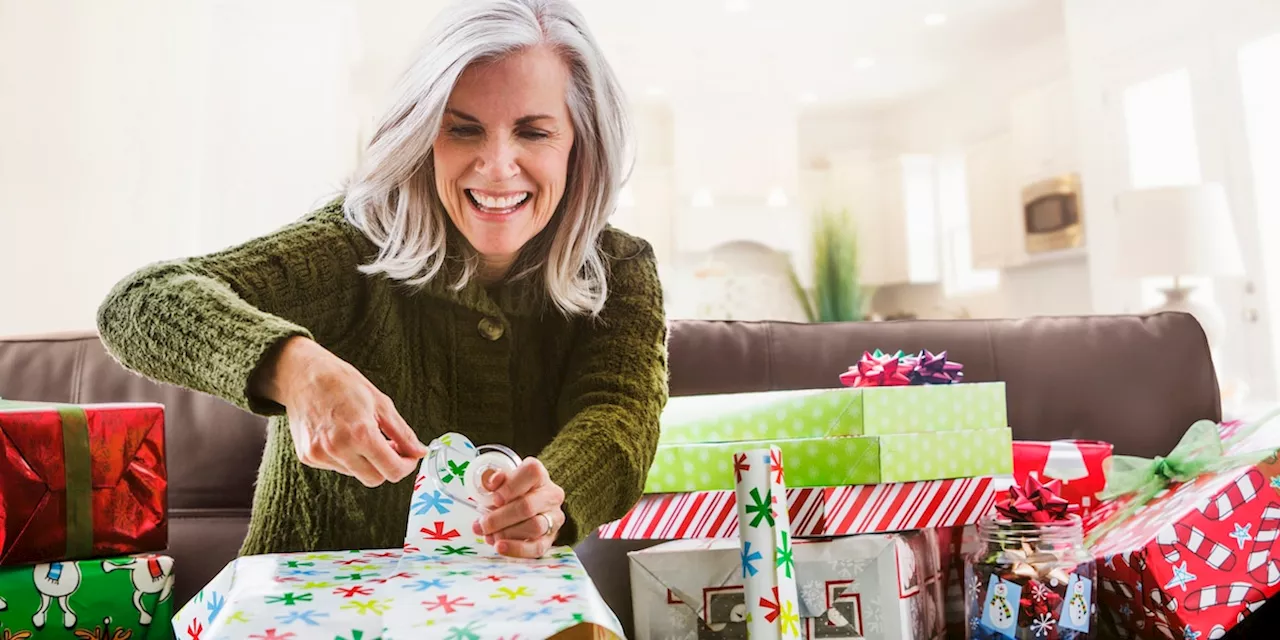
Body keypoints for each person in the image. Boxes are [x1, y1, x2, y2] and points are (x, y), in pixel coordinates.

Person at [96, 0, 668, 560]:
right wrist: (297, 370)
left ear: (581, 144)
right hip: (303, 615)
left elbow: (618, 419)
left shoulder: (619, 269)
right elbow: (138, 303)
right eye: (464, 131)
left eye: (534, 133)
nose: (497, 165)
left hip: (516, 615)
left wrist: (552, 498)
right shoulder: (354, 243)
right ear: (423, 138)